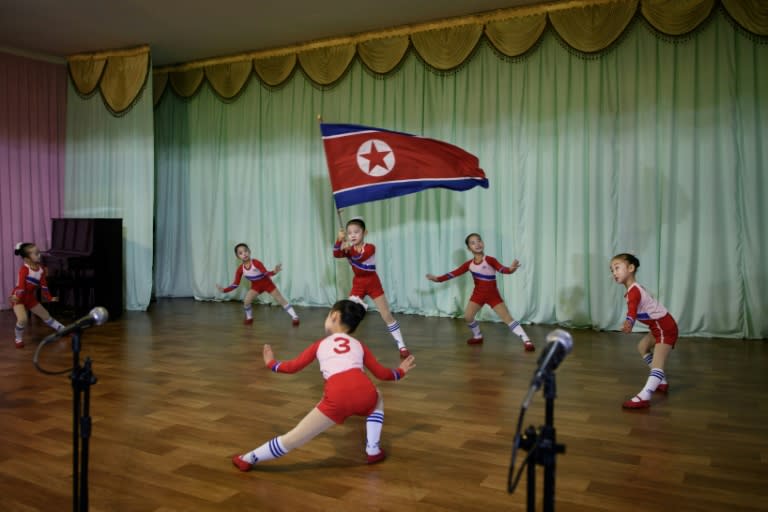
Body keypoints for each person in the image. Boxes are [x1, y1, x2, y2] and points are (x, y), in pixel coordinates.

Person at [231, 299, 415, 470]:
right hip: (365, 392)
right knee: (377, 397)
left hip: (337, 398)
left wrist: (272, 364)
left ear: (334, 315)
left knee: (294, 437)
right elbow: (381, 373)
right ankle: (373, 449)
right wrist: (399, 373)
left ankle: (248, 458)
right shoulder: (359, 344)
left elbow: (293, 367)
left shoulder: (320, 344)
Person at [426, 233, 534, 351]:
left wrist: (511, 269)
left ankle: (526, 340)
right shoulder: (469, 264)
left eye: (479, 241)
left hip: (493, 295)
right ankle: (478, 336)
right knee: (468, 316)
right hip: (477, 295)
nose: (477, 244)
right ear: (469, 248)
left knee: (507, 318)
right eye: (473, 243)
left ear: (483, 243)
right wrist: (437, 279)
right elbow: (454, 273)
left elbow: (504, 270)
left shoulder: (490, 260)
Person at [334, 217, 410, 358]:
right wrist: (339, 240)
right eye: (349, 233)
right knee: (349, 314)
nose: (352, 235)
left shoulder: (370, 247)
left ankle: (401, 345)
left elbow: (359, 258)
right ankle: (342, 344)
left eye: (356, 232)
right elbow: (336, 254)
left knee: (386, 314)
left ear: (365, 233)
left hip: (372, 282)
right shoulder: (348, 248)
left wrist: (347, 249)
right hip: (358, 284)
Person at [610, 253, 678, 409]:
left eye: (617, 268)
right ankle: (661, 381)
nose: (614, 273)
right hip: (659, 325)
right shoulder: (634, 290)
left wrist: (629, 322)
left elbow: (632, 309)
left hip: (664, 327)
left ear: (631, 268)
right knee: (642, 347)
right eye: (612, 270)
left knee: (657, 364)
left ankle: (644, 396)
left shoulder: (634, 291)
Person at [217, 243, 299, 326]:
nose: (244, 254)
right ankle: (249, 318)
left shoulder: (256, 263)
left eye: (245, 251)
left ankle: (295, 317)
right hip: (256, 286)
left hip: (267, 284)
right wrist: (224, 290)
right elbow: (235, 284)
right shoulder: (240, 269)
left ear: (249, 252)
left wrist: (274, 272)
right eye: (240, 253)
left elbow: (265, 273)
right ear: (238, 256)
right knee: (246, 301)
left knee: (280, 299)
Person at [8, 242, 66, 348]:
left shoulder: (41, 269)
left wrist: (49, 297)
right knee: (22, 319)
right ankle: (18, 338)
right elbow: (21, 287)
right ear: (27, 259)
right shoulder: (24, 269)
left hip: (30, 298)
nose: (39, 255)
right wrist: (17, 297)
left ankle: (62, 329)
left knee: (46, 315)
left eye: (38, 252)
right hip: (18, 298)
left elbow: (44, 286)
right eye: (35, 254)